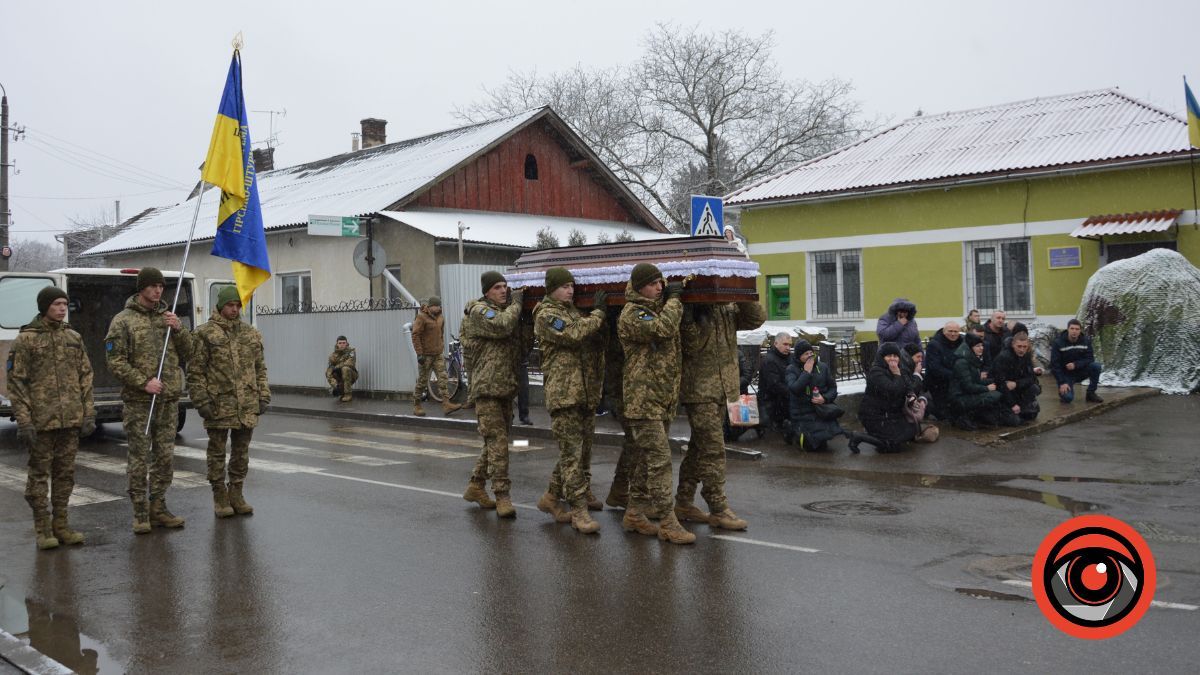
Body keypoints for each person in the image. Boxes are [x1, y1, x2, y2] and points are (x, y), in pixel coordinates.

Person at [105, 267, 192, 533]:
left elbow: (189, 353)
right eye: (153, 286)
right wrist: (143, 382)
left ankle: (159, 506)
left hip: (168, 399)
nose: (158, 291)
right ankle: (140, 512)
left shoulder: (168, 318)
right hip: (140, 402)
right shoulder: (123, 320)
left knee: (165, 457)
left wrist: (178, 329)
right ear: (141, 288)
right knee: (140, 457)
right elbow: (115, 361)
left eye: (161, 286)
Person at [8, 286, 94, 549]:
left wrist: (87, 413)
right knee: (38, 477)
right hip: (41, 421)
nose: (61, 308)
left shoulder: (73, 337)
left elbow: (86, 376)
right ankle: (43, 529)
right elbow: (17, 382)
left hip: (70, 421)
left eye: (64, 304)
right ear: (44, 306)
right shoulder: (26, 340)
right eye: (56, 303)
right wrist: (24, 419)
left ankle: (62, 524)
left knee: (65, 476)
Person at [674, 296, 766, 532]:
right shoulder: (693, 305)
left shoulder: (727, 305)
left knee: (698, 448)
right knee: (713, 449)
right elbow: (690, 344)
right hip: (699, 389)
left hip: (722, 387)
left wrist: (744, 294)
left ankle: (683, 502)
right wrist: (693, 313)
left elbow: (756, 319)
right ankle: (718, 507)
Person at [618, 263, 691, 544]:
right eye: (653, 283)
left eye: (661, 282)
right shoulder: (633, 314)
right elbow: (663, 329)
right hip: (643, 401)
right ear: (639, 287)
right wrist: (675, 300)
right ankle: (668, 521)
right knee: (660, 461)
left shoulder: (655, 309)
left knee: (645, 460)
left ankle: (635, 511)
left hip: (661, 399)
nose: (660, 287)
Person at [532, 267, 607, 534]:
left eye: (573, 286)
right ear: (551, 289)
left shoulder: (573, 312)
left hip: (584, 393)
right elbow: (575, 334)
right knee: (572, 455)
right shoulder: (546, 315)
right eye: (565, 286)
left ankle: (551, 497)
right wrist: (598, 314)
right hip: (564, 395)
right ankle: (578, 511)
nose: (571, 290)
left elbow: (592, 338)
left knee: (579, 452)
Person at [187, 286, 271, 518]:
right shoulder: (204, 334)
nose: (234, 310)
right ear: (220, 306)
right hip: (218, 404)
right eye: (229, 305)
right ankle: (219, 495)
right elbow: (196, 372)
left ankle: (237, 492)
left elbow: (260, 368)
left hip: (246, 404)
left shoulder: (250, 334)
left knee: (241, 452)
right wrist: (201, 400)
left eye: (237, 305)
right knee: (216, 452)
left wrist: (263, 395)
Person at [461, 271, 525, 517]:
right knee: (498, 443)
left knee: (495, 442)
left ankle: (477, 485)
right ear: (486, 291)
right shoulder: (479, 312)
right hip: (486, 388)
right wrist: (517, 304)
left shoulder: (503, 310)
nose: (503, 291)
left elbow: (519, 344)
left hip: (505, 386)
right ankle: (502, 496)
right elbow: (502, 326)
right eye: (497, 287)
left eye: (506, 287)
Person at [850, 342, 923, 453]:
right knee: (892, 444)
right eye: (889, 356)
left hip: (892, 414)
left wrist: (911, 396)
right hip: (874, 415)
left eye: (895, 356)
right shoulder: (876, 372)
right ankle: (859, 437)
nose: (892, 359)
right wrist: (896, 375)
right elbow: (892, 390)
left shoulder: (900, 370)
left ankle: (882, 437)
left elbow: (909, 386)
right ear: (882, 358)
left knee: (911, 431)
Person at [785, 339, 845, 452]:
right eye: (806, 354)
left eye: (811, 353)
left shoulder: (822, 367)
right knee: (811, 446)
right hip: (802, 410)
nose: (810, 356)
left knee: (828, 435)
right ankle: (792, 429)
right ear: (799, 357)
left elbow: (833, 388)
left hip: (820, 408)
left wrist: (824, 398)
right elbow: (794, 389)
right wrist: (806, 373)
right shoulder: (791, 369)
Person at [411, 296, 463, 417]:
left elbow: (441, 333)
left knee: (443, 378)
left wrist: (441, 347)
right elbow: (415, 335)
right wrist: (419, 353)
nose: (439, 308)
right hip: (425, 355)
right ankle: (417, 404)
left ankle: (446, 404)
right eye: (437, 306)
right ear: (431, 306)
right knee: (423, 381)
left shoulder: (440, 318)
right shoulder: (421, 317)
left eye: (440, 306)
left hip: (438, 354)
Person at [948, 332, 1003, 430]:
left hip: (965, 394)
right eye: (978, 346)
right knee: (994, 395)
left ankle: (978, 416)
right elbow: (968, 386)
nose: (981, 348)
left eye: (982, 345)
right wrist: (987, 388)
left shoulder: (971, 360)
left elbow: (976, 381)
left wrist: (995, 380)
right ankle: (964, 416)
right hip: (960, 397)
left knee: (997, 392)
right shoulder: (962, 362)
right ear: (970, 347)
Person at [990, 325, 1043, 425]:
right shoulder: (1004, 357)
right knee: (1015, 421)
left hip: (1016, 387)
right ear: (1013, 344)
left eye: (1024, 347)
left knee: (1034, 390)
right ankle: (1007, 410)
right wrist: (1013, 404)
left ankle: (1022, 407)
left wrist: (1016, 384)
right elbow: (1000, 383)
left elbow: (1032, 378)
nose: (1022, 350)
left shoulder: (1026, 356)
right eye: (1019, 346)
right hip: (1002, 391)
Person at [1050, 319, 1104, 404]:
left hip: (1080, 371)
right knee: (1068, 398)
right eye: (1072, 328)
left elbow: (1090, 358)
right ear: (1068, 329)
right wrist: (1062, 382)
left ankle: (1091, 393)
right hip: (1066, 375)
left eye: (1077, 329)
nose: (1074, 331)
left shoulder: (1086, 341)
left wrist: (1076, 364)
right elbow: (1054, 365)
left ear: (1080, 330)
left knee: (1096, 366)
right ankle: (1063, 392)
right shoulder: (1058, 343)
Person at [756, 332, 794, 443]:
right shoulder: (770, 360)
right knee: (773, 436)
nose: (788, 347)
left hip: (783, 399)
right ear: (776, 343)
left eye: (790, 345)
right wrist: (793, 391)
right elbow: (774, 385)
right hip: (771, 402)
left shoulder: (790, 358)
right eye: (785, 344)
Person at [923, 321, 962, 420]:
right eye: (950, 331)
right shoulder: (934, 344)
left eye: (956, 331)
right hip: (938, 384)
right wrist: (955, 375)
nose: (953, 334)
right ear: (944, 331)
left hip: (955, 382)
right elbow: (935, 368)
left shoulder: (962, 342)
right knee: (944, 414)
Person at [326, 336, 358, 403]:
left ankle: (348, 394)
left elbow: (350, 363)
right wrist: (335, 385)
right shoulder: (333, 356)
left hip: (352, 374)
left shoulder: (351, 351)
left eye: (344, 343)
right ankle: (340, 389)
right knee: (329, 372)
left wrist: (337, 367)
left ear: (347, 343)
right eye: (340, 343)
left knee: (345, 369)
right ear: (337, 344)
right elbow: (329, 370)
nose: (342, 345)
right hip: (340, 376)